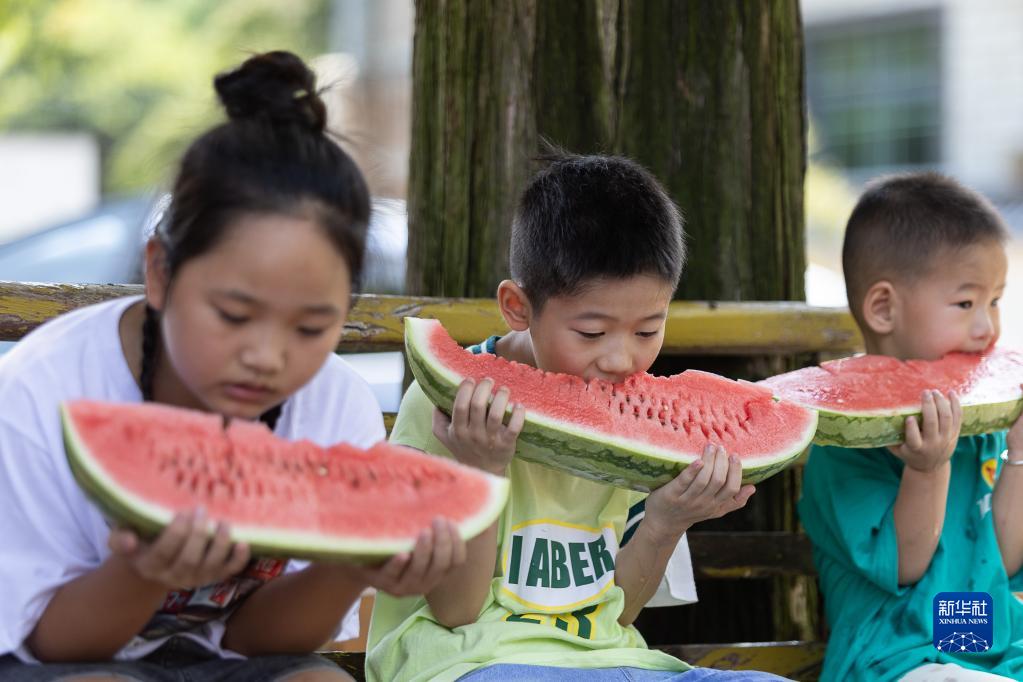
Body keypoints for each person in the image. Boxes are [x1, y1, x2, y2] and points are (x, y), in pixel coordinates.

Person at [0, 50, 464, 681]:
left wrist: (351, 565)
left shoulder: (334, 404)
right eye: (234, 315)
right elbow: (50, 645)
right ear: (160, 274)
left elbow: (257, 643)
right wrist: (143, 572)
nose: (267, 356)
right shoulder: (37, 392)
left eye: (310, 326)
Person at [367, 151, 789, 681]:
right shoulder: (447, 402)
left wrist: (665, 522)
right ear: (517, 306)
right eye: (591, 333)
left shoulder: (641, 419)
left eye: (647, 330)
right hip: (472, 662)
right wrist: (481, 471)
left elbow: (618, 613)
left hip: (615, 662)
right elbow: (456, 611)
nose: (620, 360)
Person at [798, 172, 1023, 682]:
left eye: (995, 301)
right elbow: (906, 567)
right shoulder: (846, 444)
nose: (988, 326)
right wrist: (928, 469)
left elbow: (1003, 562)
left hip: (988, 647)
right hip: (896, 657)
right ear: (884, 308)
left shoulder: (983, 417)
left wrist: (1020, 455)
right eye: (966, 303)